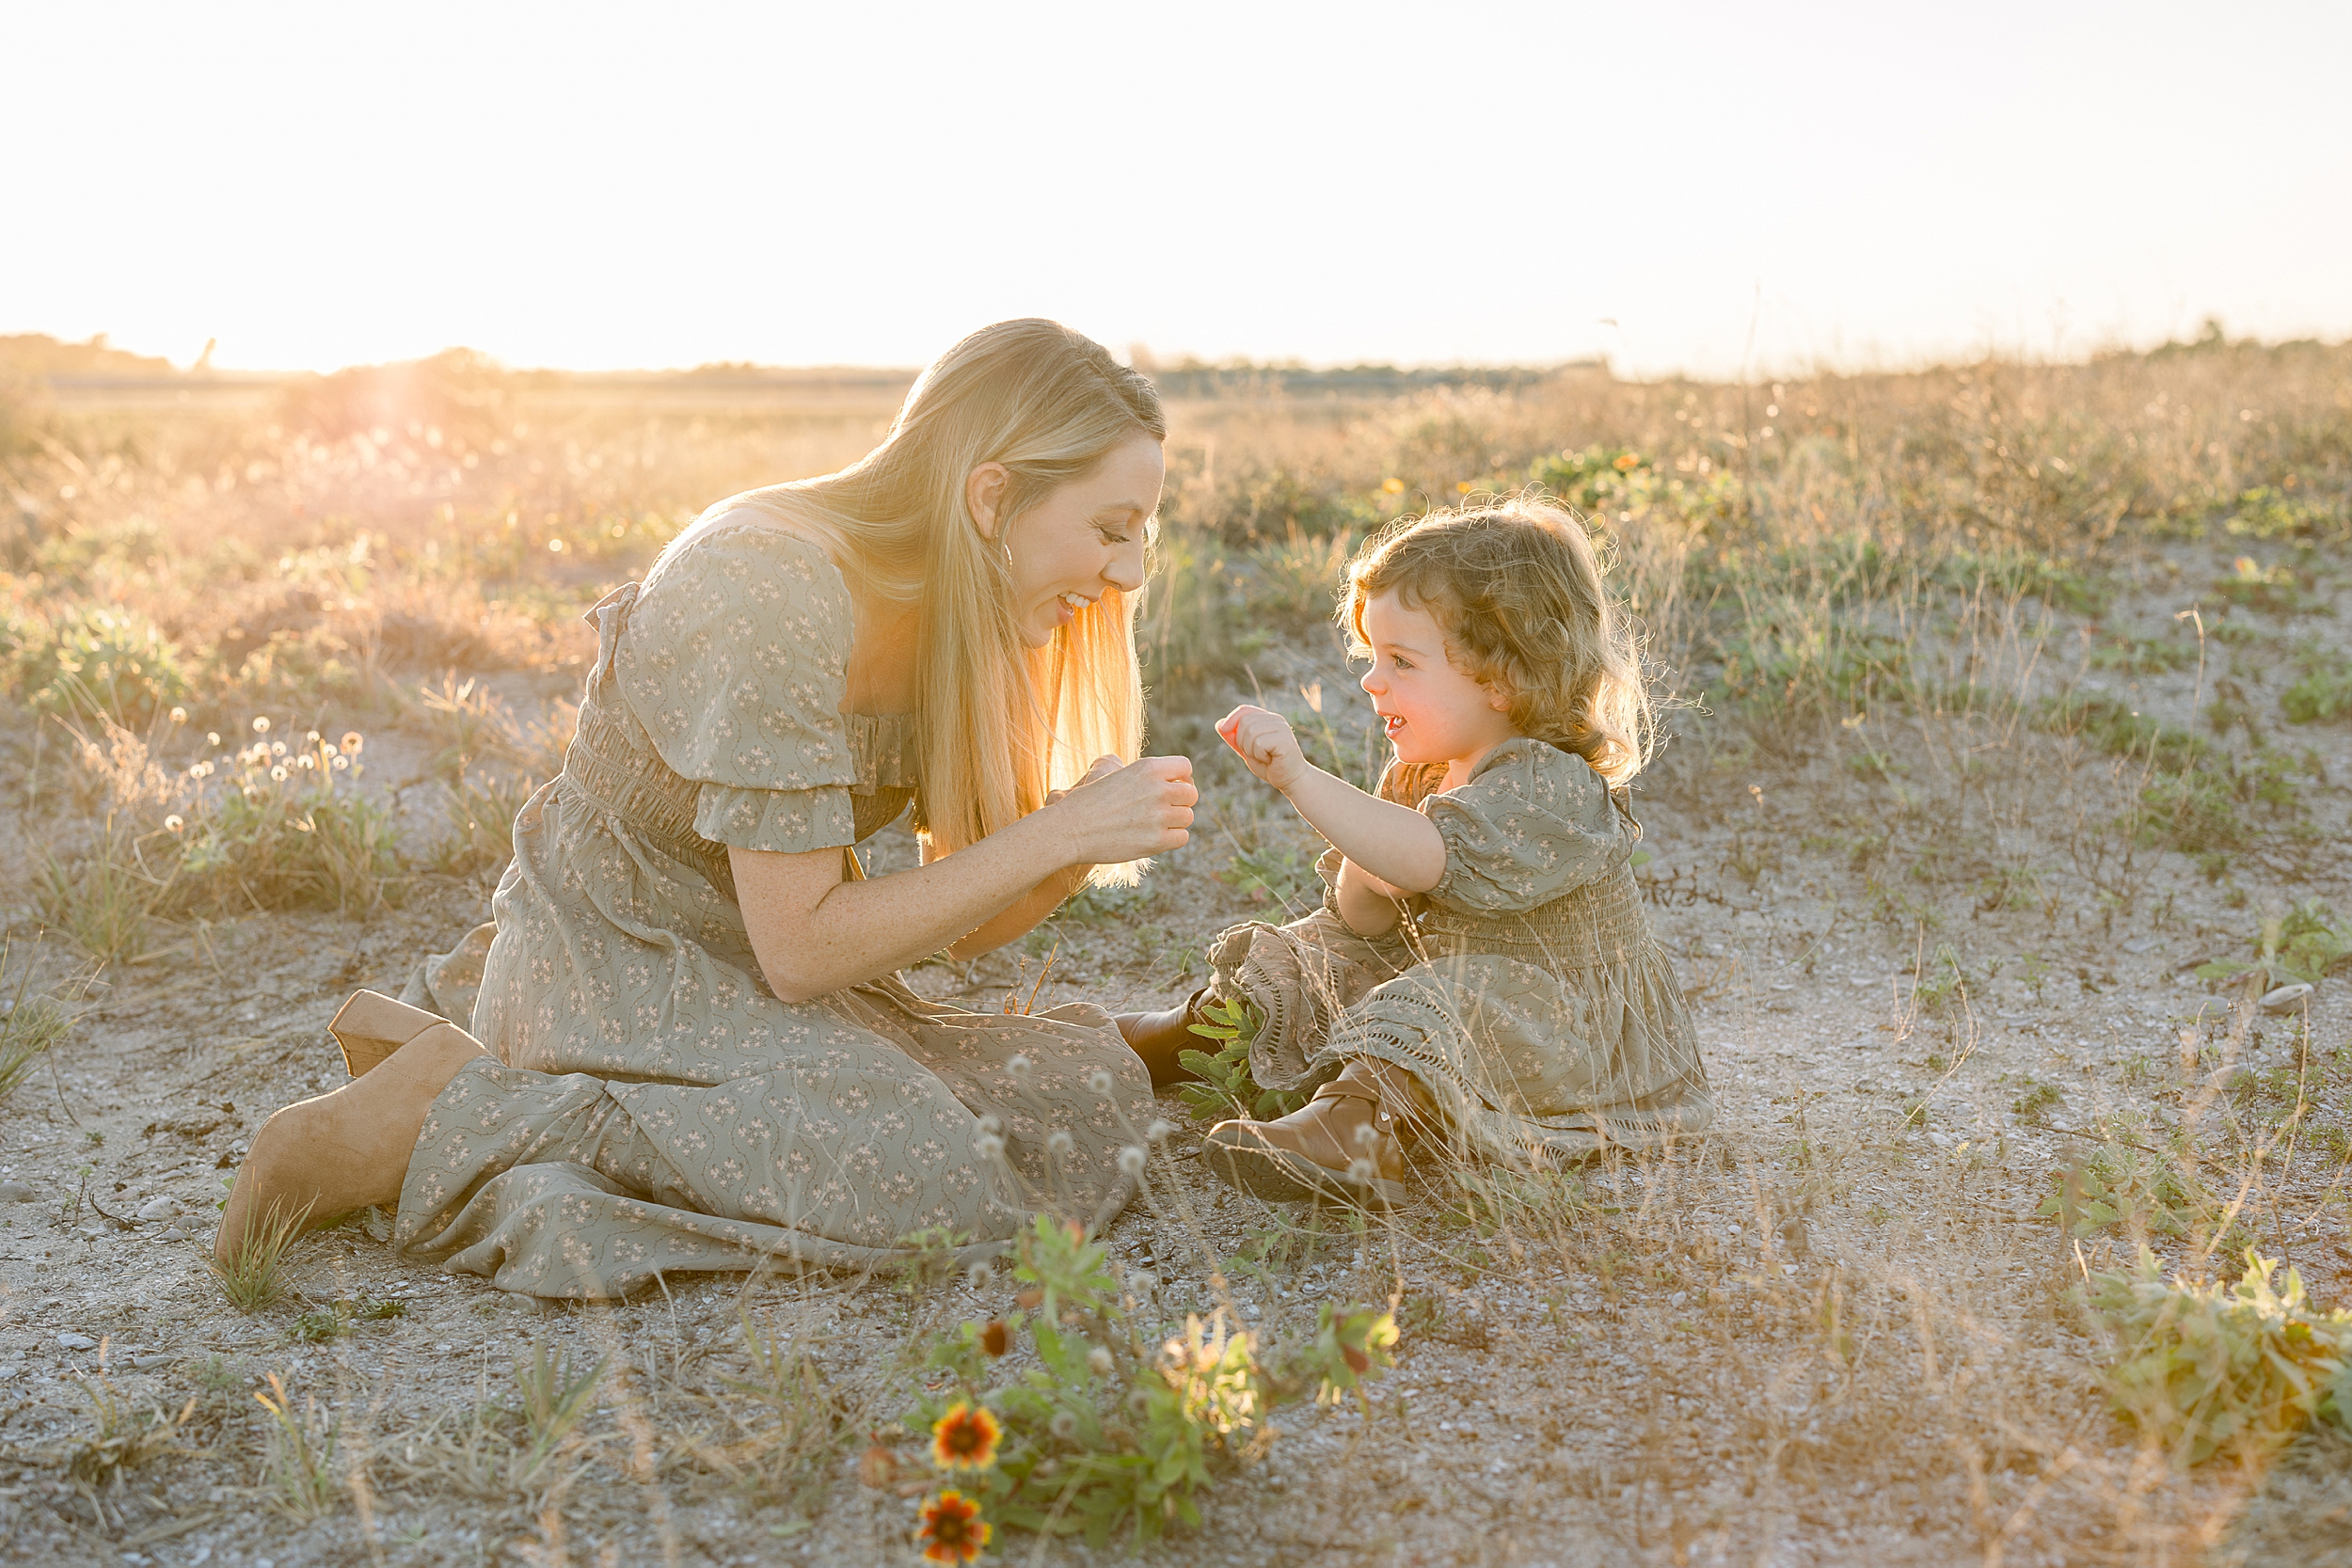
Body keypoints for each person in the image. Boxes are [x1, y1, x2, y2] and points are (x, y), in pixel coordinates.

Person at [216, 320, 1199, 1297]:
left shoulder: (970, 610)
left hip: (748, 958)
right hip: (608, 949)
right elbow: (805, 951)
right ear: (992, 496)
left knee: (1054, 1114)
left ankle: (512, 1086)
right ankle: (449, 1107)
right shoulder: (769, 583)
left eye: (1140, 536)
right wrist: (1058, 831)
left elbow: (965, 929)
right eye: (1112, 529)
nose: (1130, 575)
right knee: (939, 1175)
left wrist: (1064, 843)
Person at [1120, 495, 1710, 1204]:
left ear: (1502, 676)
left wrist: (1300, 779)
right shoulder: (1423, 773)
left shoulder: (1549, 785)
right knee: (1319, 948)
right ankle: (1192, 1035)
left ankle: (1356, 1129)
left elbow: (1429, 856)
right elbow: (1363, 917)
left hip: (1564, 1030)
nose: (1372, 680)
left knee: (1440, 999)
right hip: (1468, 986)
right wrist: (1367, 875)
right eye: (1372, 656)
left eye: (1401, 660)